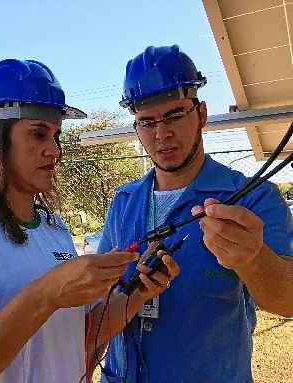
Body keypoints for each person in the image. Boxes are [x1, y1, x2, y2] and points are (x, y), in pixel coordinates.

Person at [0, 58, 179, 383]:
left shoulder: (52, 227)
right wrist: (47, 293)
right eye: (38, 134)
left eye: (56, 136)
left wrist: (137, 292)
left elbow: (81, 336)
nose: (54, 150)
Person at [97, 45, 293, 383]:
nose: (162, 134)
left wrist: (252, 257)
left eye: (174, 115)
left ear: (201, 114)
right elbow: (101, 297)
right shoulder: (124, 201)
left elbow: (288, 300)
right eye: (147, 122)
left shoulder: (251, 198)